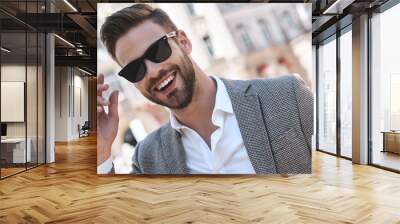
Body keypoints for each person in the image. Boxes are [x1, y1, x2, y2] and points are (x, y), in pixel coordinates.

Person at [97, 3, 313, 174]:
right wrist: (101, 151)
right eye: (135, 69)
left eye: (158, 49)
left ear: (183, 42)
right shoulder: (148, 158)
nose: (152, 71)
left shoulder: (287, 95)